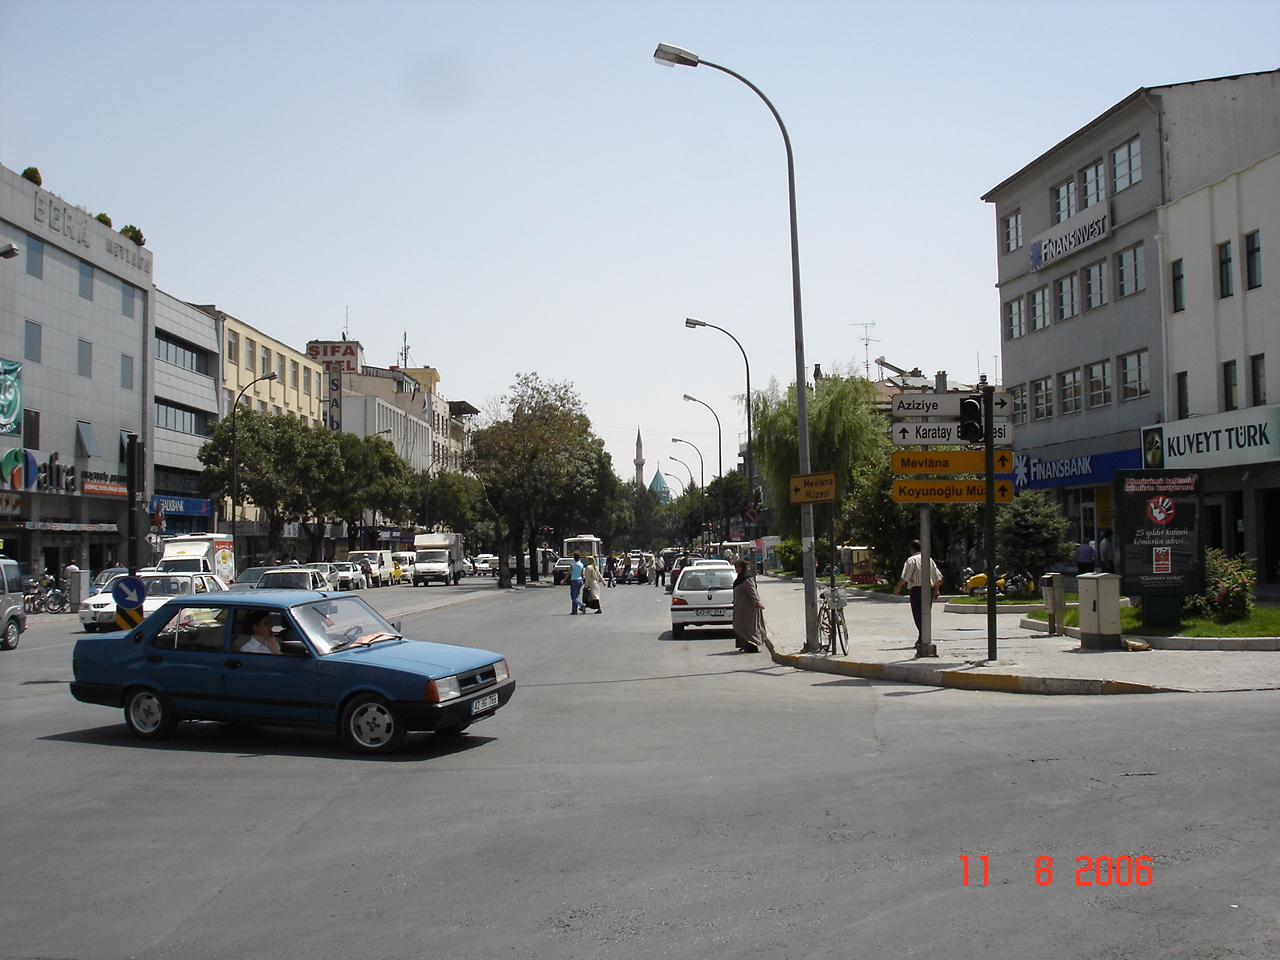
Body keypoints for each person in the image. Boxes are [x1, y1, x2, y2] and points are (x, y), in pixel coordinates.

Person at [893, 540, 943, 653]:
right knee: (926, 613)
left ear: (912, 549)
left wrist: (897, 587)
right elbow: (937, 577)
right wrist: (936, 590)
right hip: (929, 590)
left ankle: (923, 638)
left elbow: (905, 577)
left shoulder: (912, 560)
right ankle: (923, 637)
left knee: (918, 614)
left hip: (917, 590)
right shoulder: (929, 560)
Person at [731, 558, 767, 653]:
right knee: (738, 625)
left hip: (748, 608)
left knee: (748, 626)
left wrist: (757, 602)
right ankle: (745, 644)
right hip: (740, 607)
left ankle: (753, 644)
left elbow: (753, 592)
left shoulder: (747, 579)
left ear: (743, 567)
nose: (737, 569)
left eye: (739, 567)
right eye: (736, 567)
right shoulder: (739, 579)